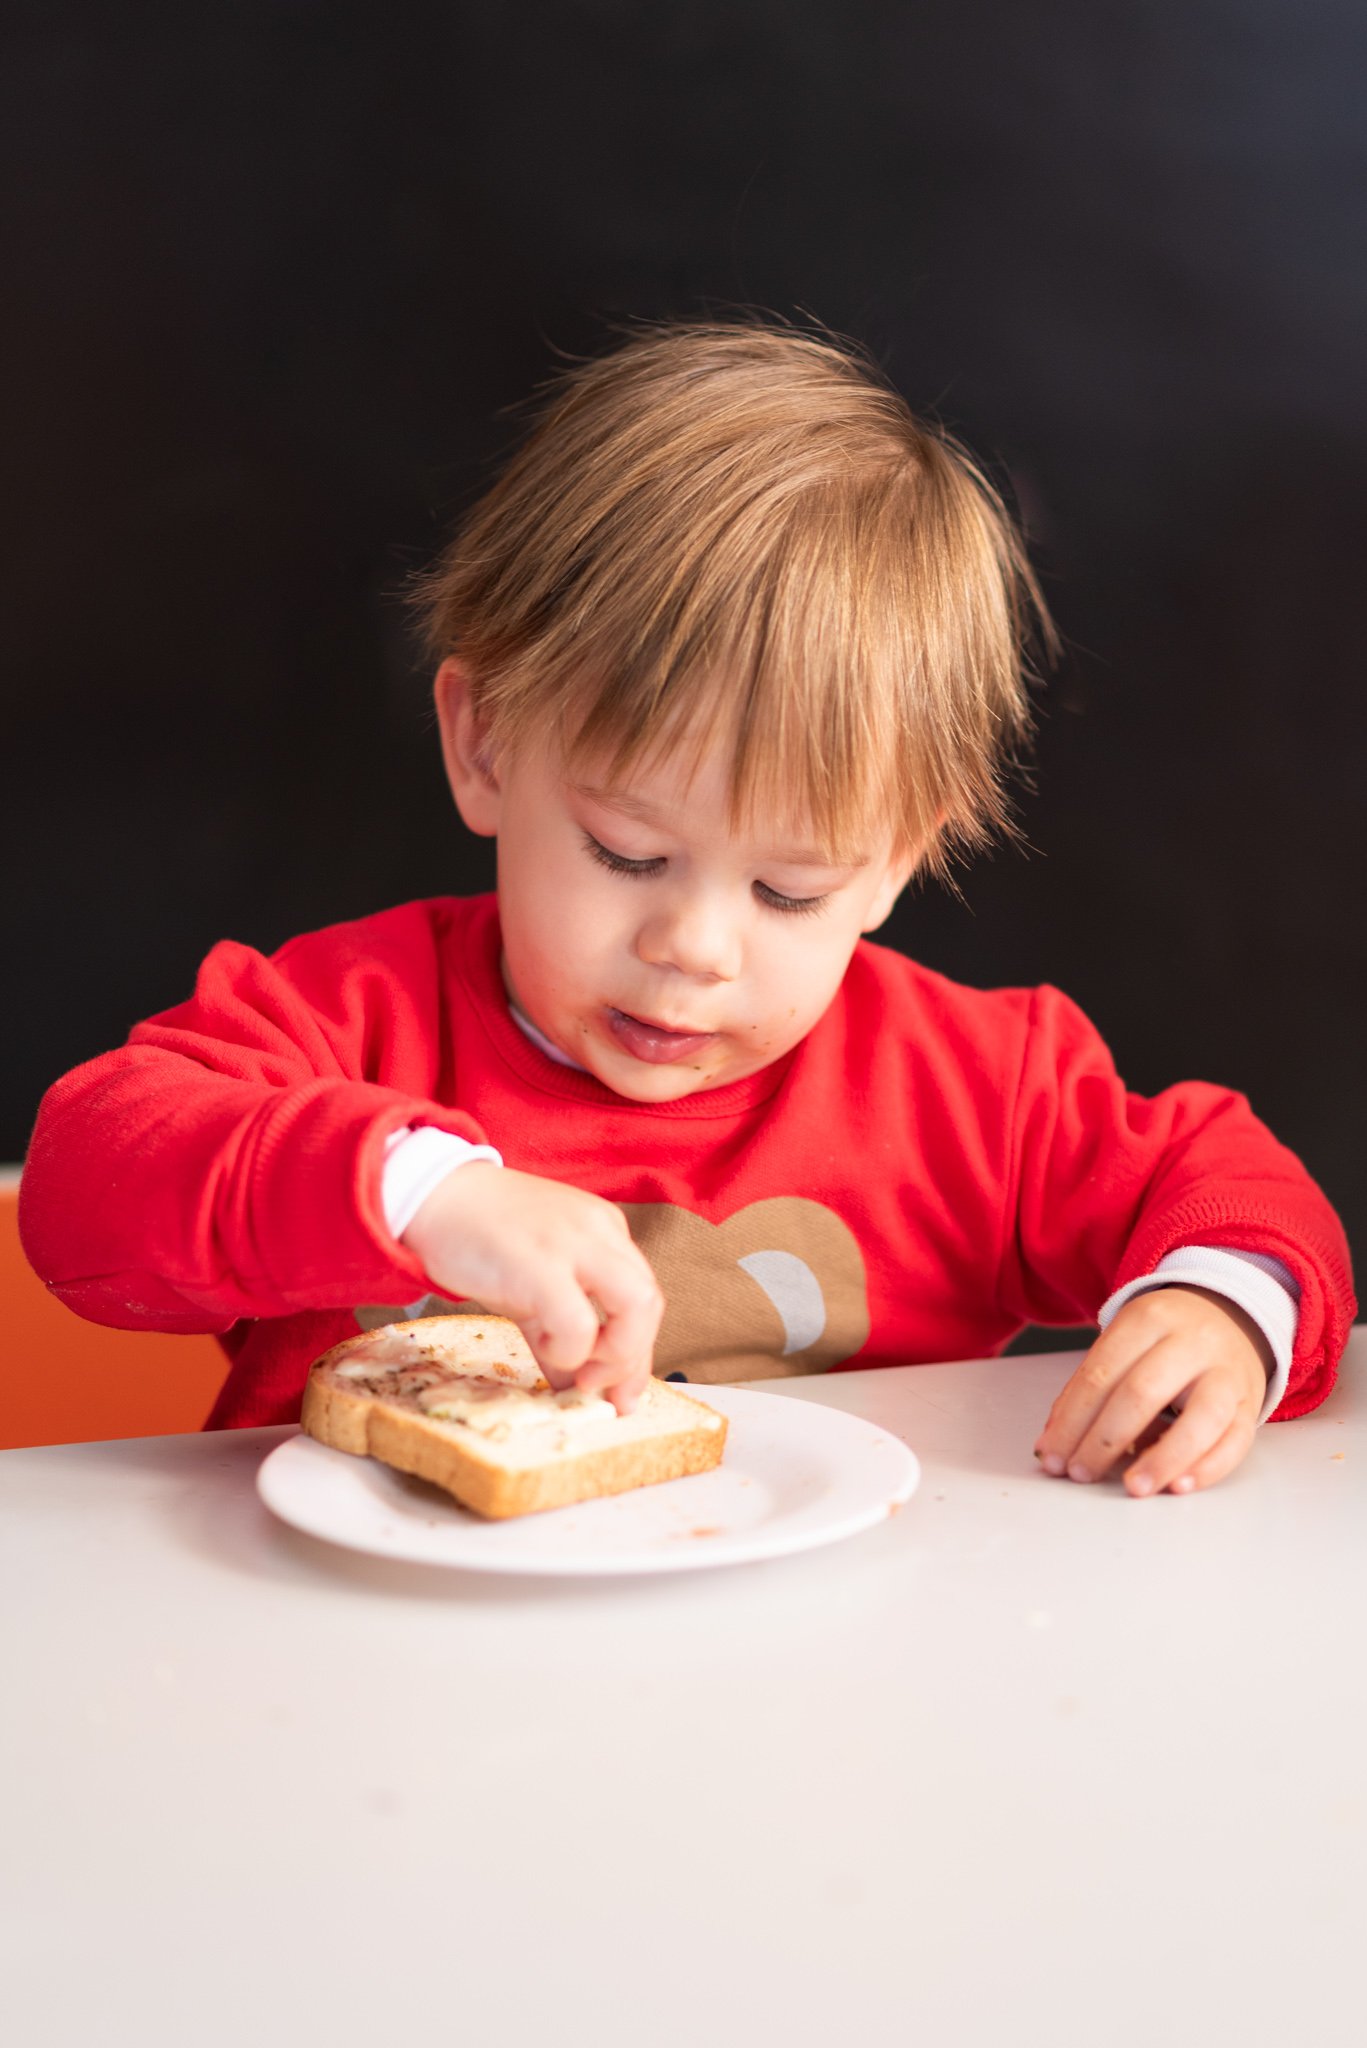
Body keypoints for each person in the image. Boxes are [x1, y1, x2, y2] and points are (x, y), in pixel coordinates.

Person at [19, 321, 1354, 1497]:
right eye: (624, 852)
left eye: (790, 889)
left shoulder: (975, 1093)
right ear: (483, 749)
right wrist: (416, 1190)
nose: (694, 949)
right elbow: (82, 1195)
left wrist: (1220, 1307)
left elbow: (1228, 1183)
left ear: (896, 862)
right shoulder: (345, 1023)